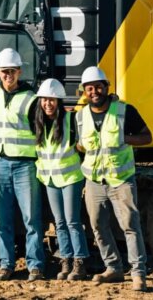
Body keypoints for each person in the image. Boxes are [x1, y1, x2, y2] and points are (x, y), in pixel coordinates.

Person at [75, 66, 153, 291]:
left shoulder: (124, 111)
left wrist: (126, 138)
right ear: (85, 91)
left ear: (106, 88)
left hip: (121, 180)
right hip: (94, 181)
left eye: (98, 87)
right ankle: (113, 268)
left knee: (130, 225)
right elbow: (81, 145)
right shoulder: (80, 117)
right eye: (89, 88)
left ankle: (138, 273)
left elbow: (147, 137)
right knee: (98, 225)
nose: (94, 91)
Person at [0, 48, 46, 282]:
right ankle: (6, 264)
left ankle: (35, 266)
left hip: (25, 165)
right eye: (4, 72)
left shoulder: (31, 98)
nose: (8, 75)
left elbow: (41, 133)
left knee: (31, 219)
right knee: (1, 220)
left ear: (19, 71)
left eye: (12, 71)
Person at [32, 78, 89, 281]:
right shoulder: (39, 124)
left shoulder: (70, 120)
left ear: (59, 101)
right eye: (45, 100)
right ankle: (66, 259)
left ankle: (79, 261)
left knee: (72, 221)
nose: (48, 104)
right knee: (60, 222)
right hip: (50, 179)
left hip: (71, 177)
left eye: (52, 100)